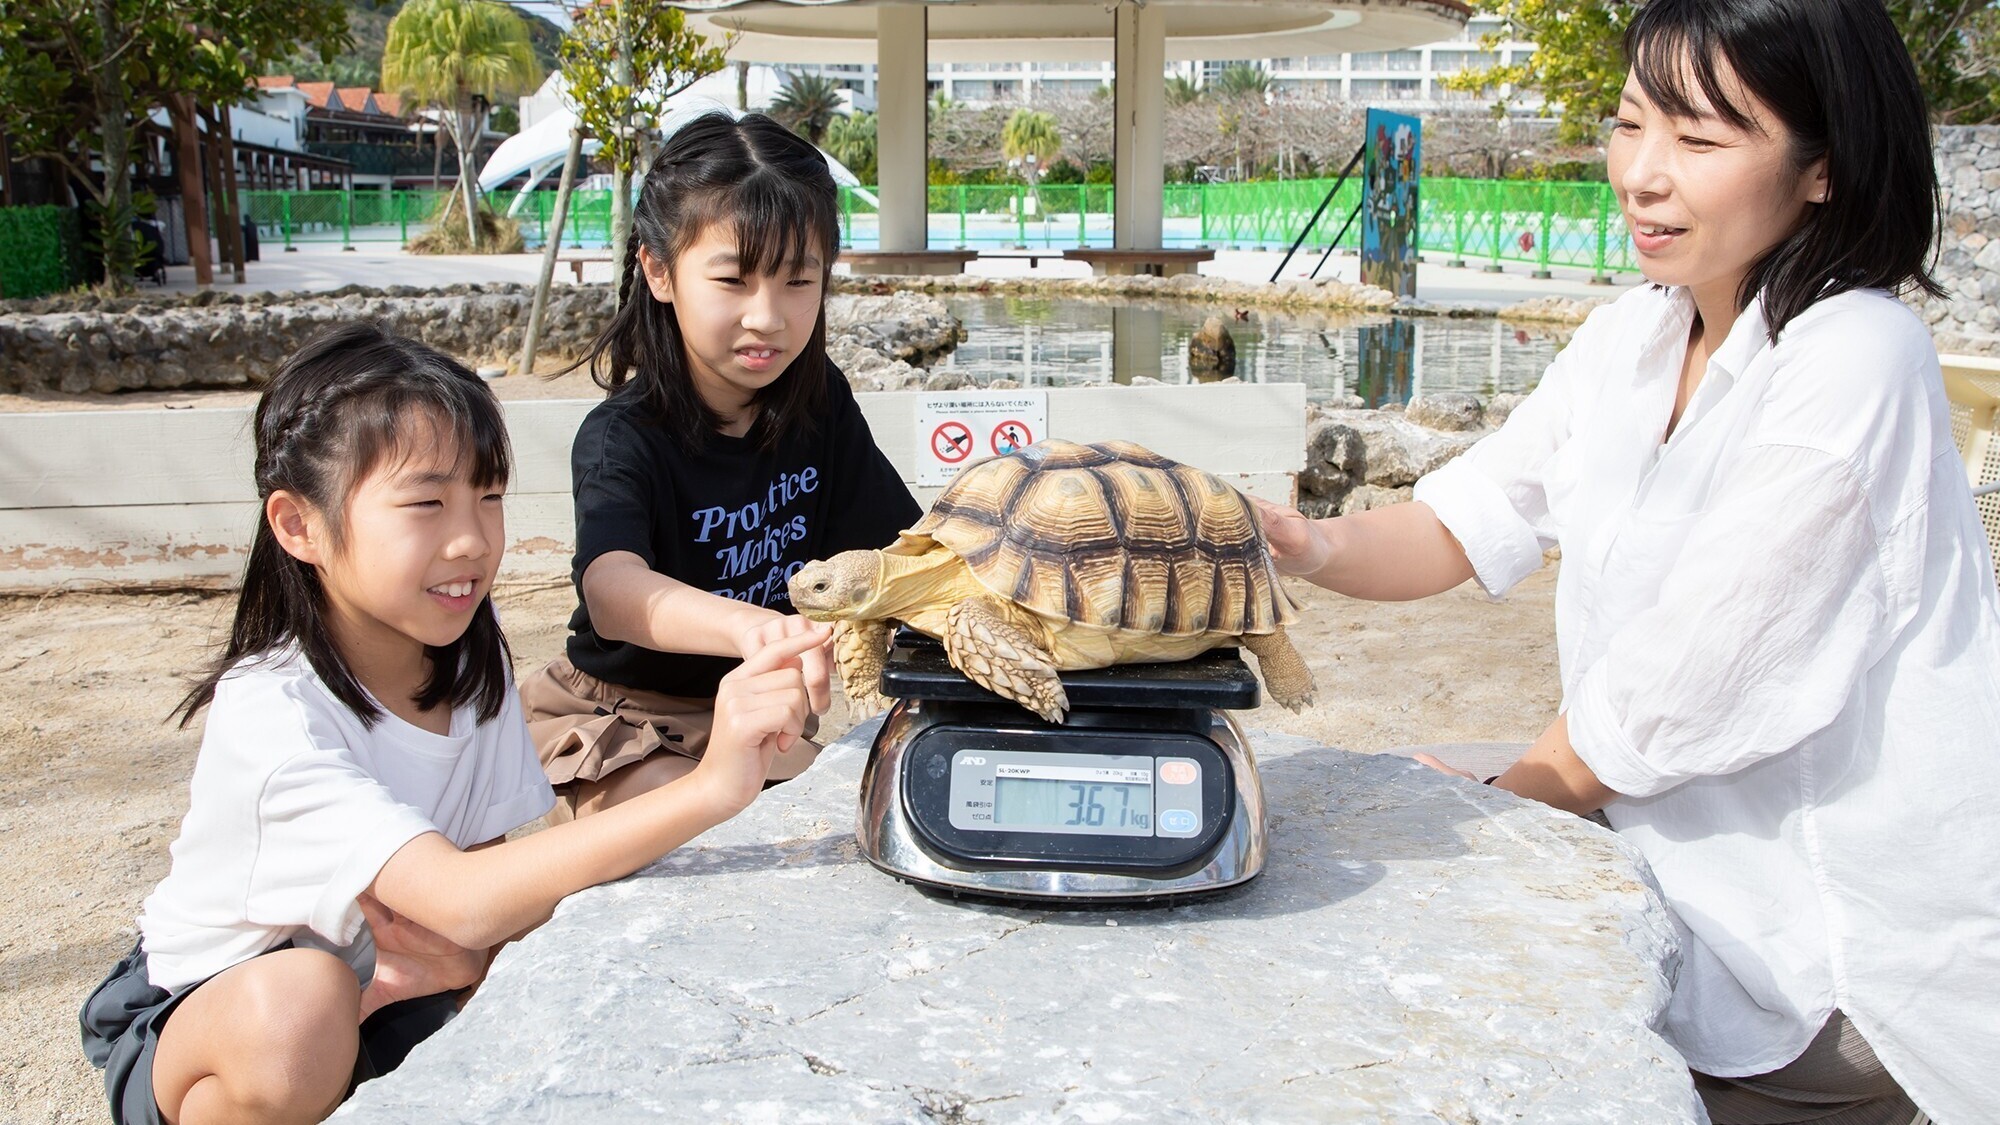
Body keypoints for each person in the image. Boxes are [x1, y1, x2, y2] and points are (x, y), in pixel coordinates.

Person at [1257, 1, 1999, 1122]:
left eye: (1699, 141)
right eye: (1627, 123)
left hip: (1816, 948)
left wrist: (1512, 804)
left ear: (1821, 170)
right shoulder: (1631, 337)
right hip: (1685, 871)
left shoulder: (1854, 355)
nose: (1641, 176)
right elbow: (1461, 520)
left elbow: (1688, 672)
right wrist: (1302, 542)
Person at [79, 324, 823, 1125]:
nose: (471, 539)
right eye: (426, 502)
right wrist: (713, 783)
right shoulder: (273, 711)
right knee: (297, 1011)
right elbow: (465, 902)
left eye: (489, 496)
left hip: (393, 990)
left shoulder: (469, 661)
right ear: (299, 526)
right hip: (213, 1015)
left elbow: (483, 895)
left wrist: (471, 961)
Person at [525, 112, 919, 821]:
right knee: (692, 825)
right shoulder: (623, 436)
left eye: (799, 281)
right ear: (657, 269)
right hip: (626, 720)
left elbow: (904, 547)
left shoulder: (819, 402)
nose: (768, 316)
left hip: (756, 710)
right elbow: (614, 589)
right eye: (734, 279)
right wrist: (752, 629)